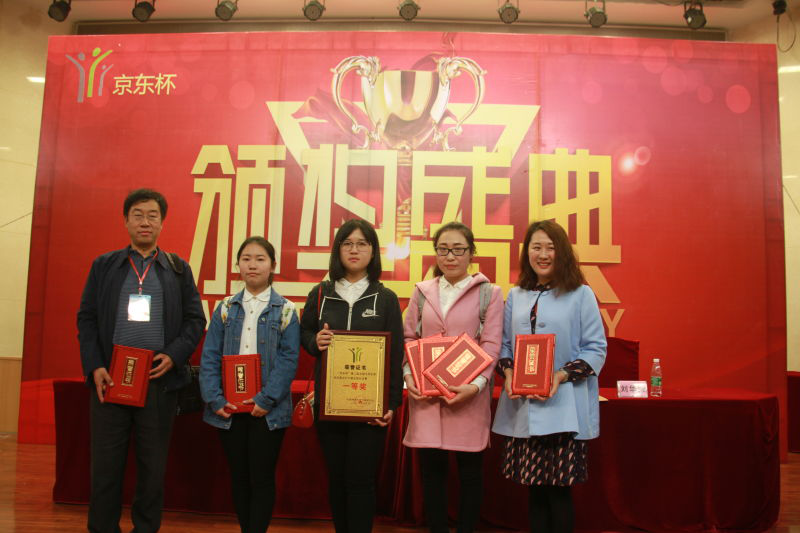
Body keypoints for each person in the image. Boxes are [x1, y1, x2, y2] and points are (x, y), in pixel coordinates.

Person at [77, 188, 206, 533]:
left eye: (152, 215)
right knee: (105, 468)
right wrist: (95, 365)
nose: (145, 222)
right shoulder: (105, 266)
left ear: (162, 223)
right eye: (138, 215)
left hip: (158, 382)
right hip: (110, 380)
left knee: (152, 469)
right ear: (126, 221)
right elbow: (87, 319)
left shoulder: (178, 269)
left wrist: (174, 355)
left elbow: (195, 321)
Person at [492, 220, 606, 533]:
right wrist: (509, 373)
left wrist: (561, 375)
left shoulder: (581, 294)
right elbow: (504, 345)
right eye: (536, 247)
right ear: (526, 252)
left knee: (559, 492)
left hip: (563, 408)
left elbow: (596, 349)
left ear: (562, 252)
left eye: (550, 247)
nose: (543, 254)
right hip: (524, 405)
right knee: (535, 490)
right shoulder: (517, 295)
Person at [299, 218, 404, 533]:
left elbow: (395, 352)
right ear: (338, 250)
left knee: (361, 481)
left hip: (369, 407)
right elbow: (304, 333)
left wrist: (391, 403)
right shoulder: (321, 293)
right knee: (337, 478)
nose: (354, 250)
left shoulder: (385, 298)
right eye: (347, 243)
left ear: (373, 251)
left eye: (362, 243)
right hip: (329, 404)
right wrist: (315, 341)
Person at [402, 221, 504, 533]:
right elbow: (409, 338)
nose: (450, 256)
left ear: (471, 253)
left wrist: (476, 385)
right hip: (427, 396)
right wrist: (408, 376)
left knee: (470, 474)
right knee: (432, 473)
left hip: (467, 396)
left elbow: (492, 343)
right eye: (443, 249)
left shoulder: (489, 293)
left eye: (458, 249)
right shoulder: (422, 292)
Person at [199, 236, 300, 533]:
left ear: (273, 266)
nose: (252, 265)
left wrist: (266, 399)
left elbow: (288, 359)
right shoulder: (225, 308)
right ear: (238, 265)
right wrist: (215, 399)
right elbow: (210, 356)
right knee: (240, 477)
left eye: (260, 259)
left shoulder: (286, 310)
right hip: (229, 408)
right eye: (246, 259)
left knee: (262, 477)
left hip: (268, 410)